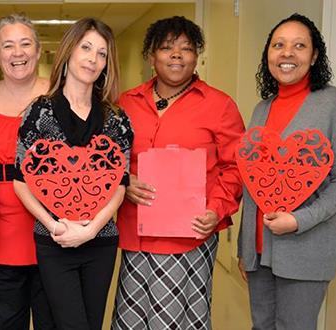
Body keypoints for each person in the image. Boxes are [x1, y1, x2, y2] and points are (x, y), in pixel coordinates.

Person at [112, 16, 244, 330]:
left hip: (190, 235)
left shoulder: (219, 105)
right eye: (167, 48)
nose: (176, 55)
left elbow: (236, 167)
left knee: (178, 321)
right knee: (132, 319)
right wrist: (124, 182)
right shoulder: (125, 103)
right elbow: (109, 160)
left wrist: (216, 210)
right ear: (151, 56)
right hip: (137, 232)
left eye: (186, 49)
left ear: (196, 57)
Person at [13, 17, 133, 330]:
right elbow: (20, 181)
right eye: (86, 48)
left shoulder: (116, 119)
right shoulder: (39, 112)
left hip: (101, 242)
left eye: (102, 53)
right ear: (69, 51)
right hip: (55, 241)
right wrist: (53, 224)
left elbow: (120, 184)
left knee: (91, 323)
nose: (93, 59)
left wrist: (91, 229)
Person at [237, 13, 336, 330]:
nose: (287, 53)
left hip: (307, 249)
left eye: (299, 46)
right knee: (261, 326)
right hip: (259, 251)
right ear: (268, 54)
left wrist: (299, 220)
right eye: (279, 45)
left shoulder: (333, 103)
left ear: (314, 56)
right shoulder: (262, 108)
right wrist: (245, 249)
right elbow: (252, 181)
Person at [0, 14, 55, 330]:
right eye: (8, 45)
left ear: (37, 49)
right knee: (2, 322)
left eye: (25, 44)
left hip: (52, 232)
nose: (17, 53)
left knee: (53, 322)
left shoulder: (62, 96)